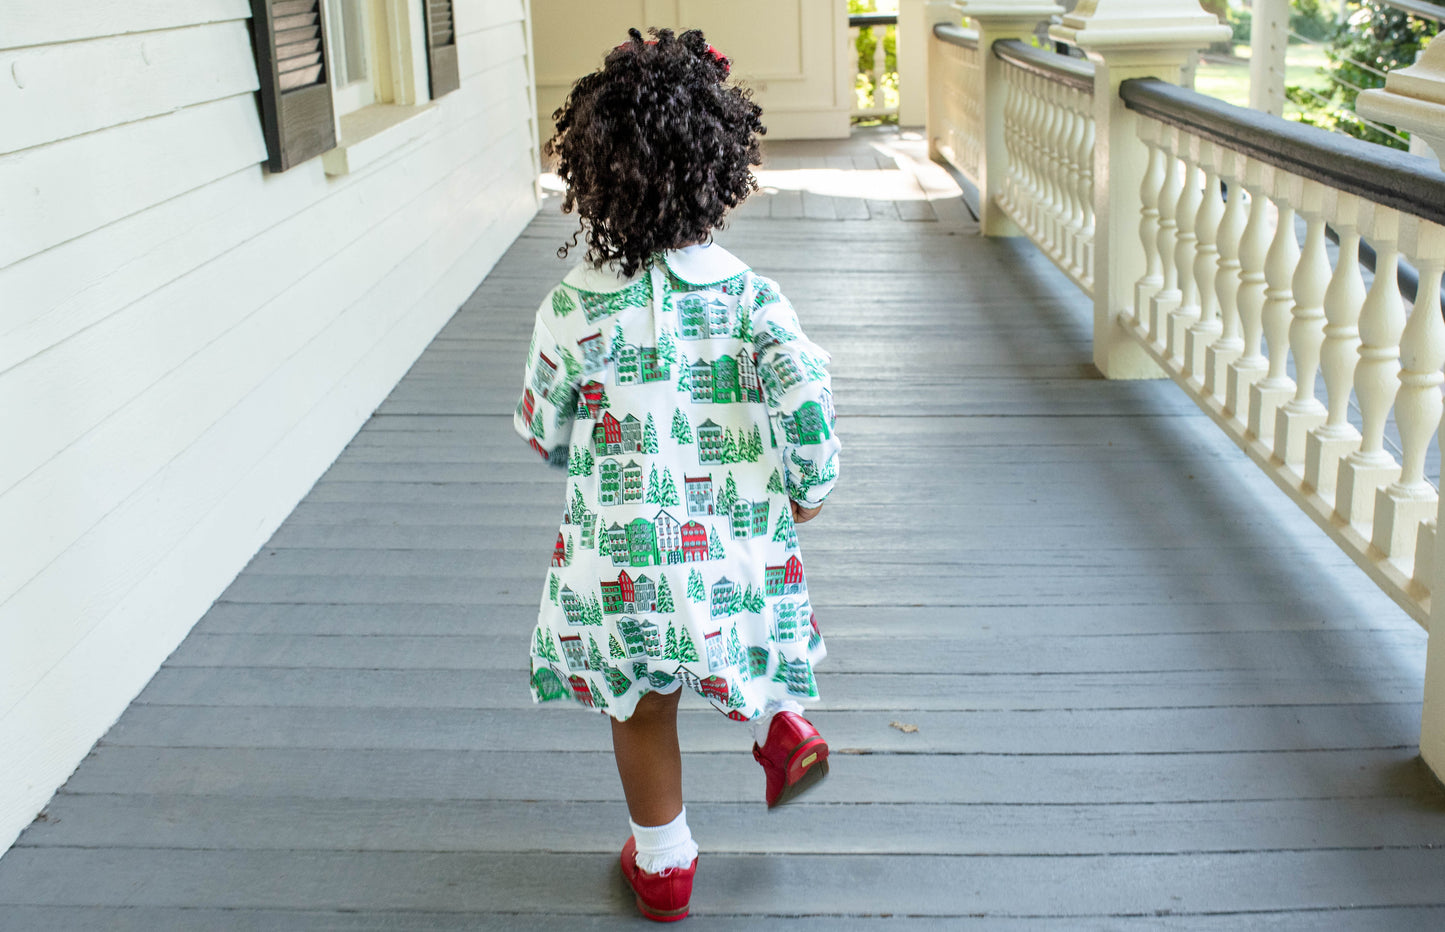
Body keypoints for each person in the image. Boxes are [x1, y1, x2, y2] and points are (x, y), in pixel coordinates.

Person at [514, 27, 841, 923]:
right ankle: (780, 722)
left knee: (644, 706)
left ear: (592, 180)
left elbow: (542, 426)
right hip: (732, 537)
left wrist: (566, 430)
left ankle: (663, 864)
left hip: (620, 561)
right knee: (746, 630)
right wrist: (808, 485)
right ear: (721, 172)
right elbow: (805, 393)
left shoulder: (571, 306)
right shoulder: (751, 298)